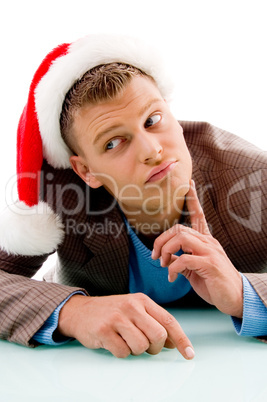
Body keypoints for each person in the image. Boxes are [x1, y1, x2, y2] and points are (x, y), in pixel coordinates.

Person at [0, 34, 266, 359]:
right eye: (113, 143)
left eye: (153, 120)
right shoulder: (60, 198)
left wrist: (244, 293)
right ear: (86, 171)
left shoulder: (254, 179)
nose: (152, 151)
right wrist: (76, 312)